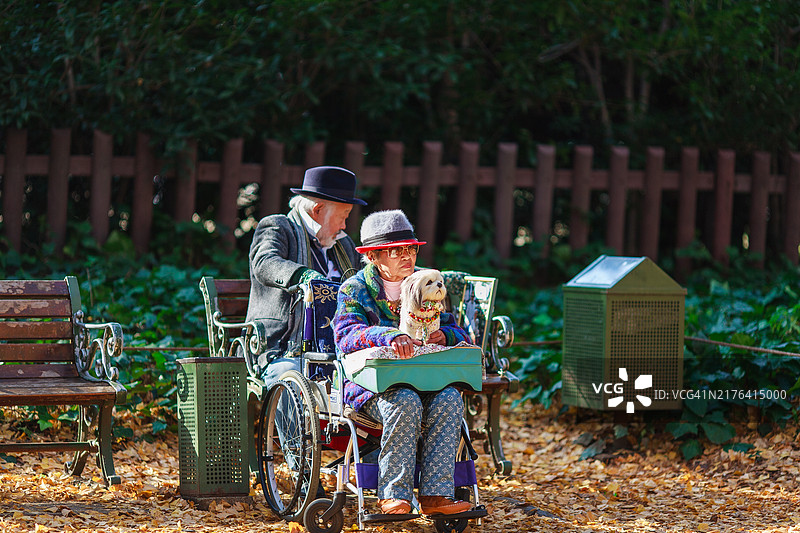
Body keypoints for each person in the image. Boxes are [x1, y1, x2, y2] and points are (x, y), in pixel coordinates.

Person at [333, 209, 473, 516]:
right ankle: (394, 495)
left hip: (426, 380)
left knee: (450, 399)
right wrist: (387, 335)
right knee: (404, 401)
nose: (408, 257)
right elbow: (345, 335)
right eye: (399, 251)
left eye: (413, 249)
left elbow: (457, 328)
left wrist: (444, 336)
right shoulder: (355, 289)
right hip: (372, 388)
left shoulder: (426, 282)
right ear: (375, 255)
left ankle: (436, 496)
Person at [247, 165, 366, 384]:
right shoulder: (278, 227)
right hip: (282, 350)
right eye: (343, 216)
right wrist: (304, 276)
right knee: (295, 376)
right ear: (318, 210)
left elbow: (368, 278)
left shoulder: (344, 244)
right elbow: (264, 262)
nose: (344, 225)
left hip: (337, 350)